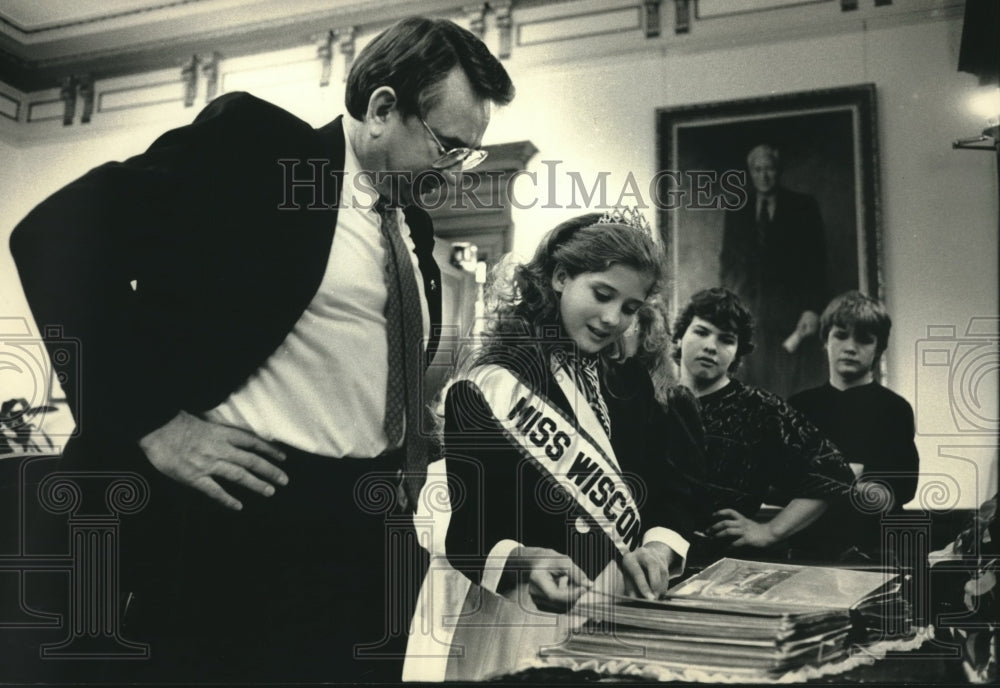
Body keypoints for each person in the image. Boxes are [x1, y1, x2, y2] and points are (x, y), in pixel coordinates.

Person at [10, 17, 513, 683]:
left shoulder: (412, 225)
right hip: (244, 527)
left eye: (468, 155)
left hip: (361, 535)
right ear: (384, 108)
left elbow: (352, 363)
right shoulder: (260, 152)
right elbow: (54, 237)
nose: (453, 171)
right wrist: (150, 420)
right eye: (448, 146)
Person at [412, 211, 703, 676]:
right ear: (560, 277)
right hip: (521, 618)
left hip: (620, 613)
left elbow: (672, 490)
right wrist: (523, 561)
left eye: (630, 307)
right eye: (602, 294)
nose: (613, 319)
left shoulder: (631, 384)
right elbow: (467, 534)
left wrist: (658, 548)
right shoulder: (492, 383)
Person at [669, 288, 855, 563]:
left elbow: (836, 474)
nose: (711, 346)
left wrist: (770, 531)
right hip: (648, 561)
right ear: (680, 336)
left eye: (726, 340)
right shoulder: (652, 400)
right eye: (701, 332)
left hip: (723, 566)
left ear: (737, 353)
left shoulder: (760, 409)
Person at [789, 291, 920, 560]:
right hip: (806, 549)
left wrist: (817, 482)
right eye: (840, 335)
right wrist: (850, 478)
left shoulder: (895, 410)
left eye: (864, 339)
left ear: (879, 349)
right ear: (825, 340)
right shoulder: (799, 406)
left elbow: (894, 493)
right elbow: (781, 486)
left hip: (876, 552)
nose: (850, 347)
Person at [719, 143, 828, 399]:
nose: (764, 176)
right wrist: (728, 308)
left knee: (787, 389)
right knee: (750, 387)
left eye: (769, 169)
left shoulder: (803, 206)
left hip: (790, 316)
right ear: (750, 172)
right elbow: (729, 263)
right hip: (750, 314)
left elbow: (817, 262)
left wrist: (812, 308)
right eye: (758, 170)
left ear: (779, 171)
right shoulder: (737, 209)